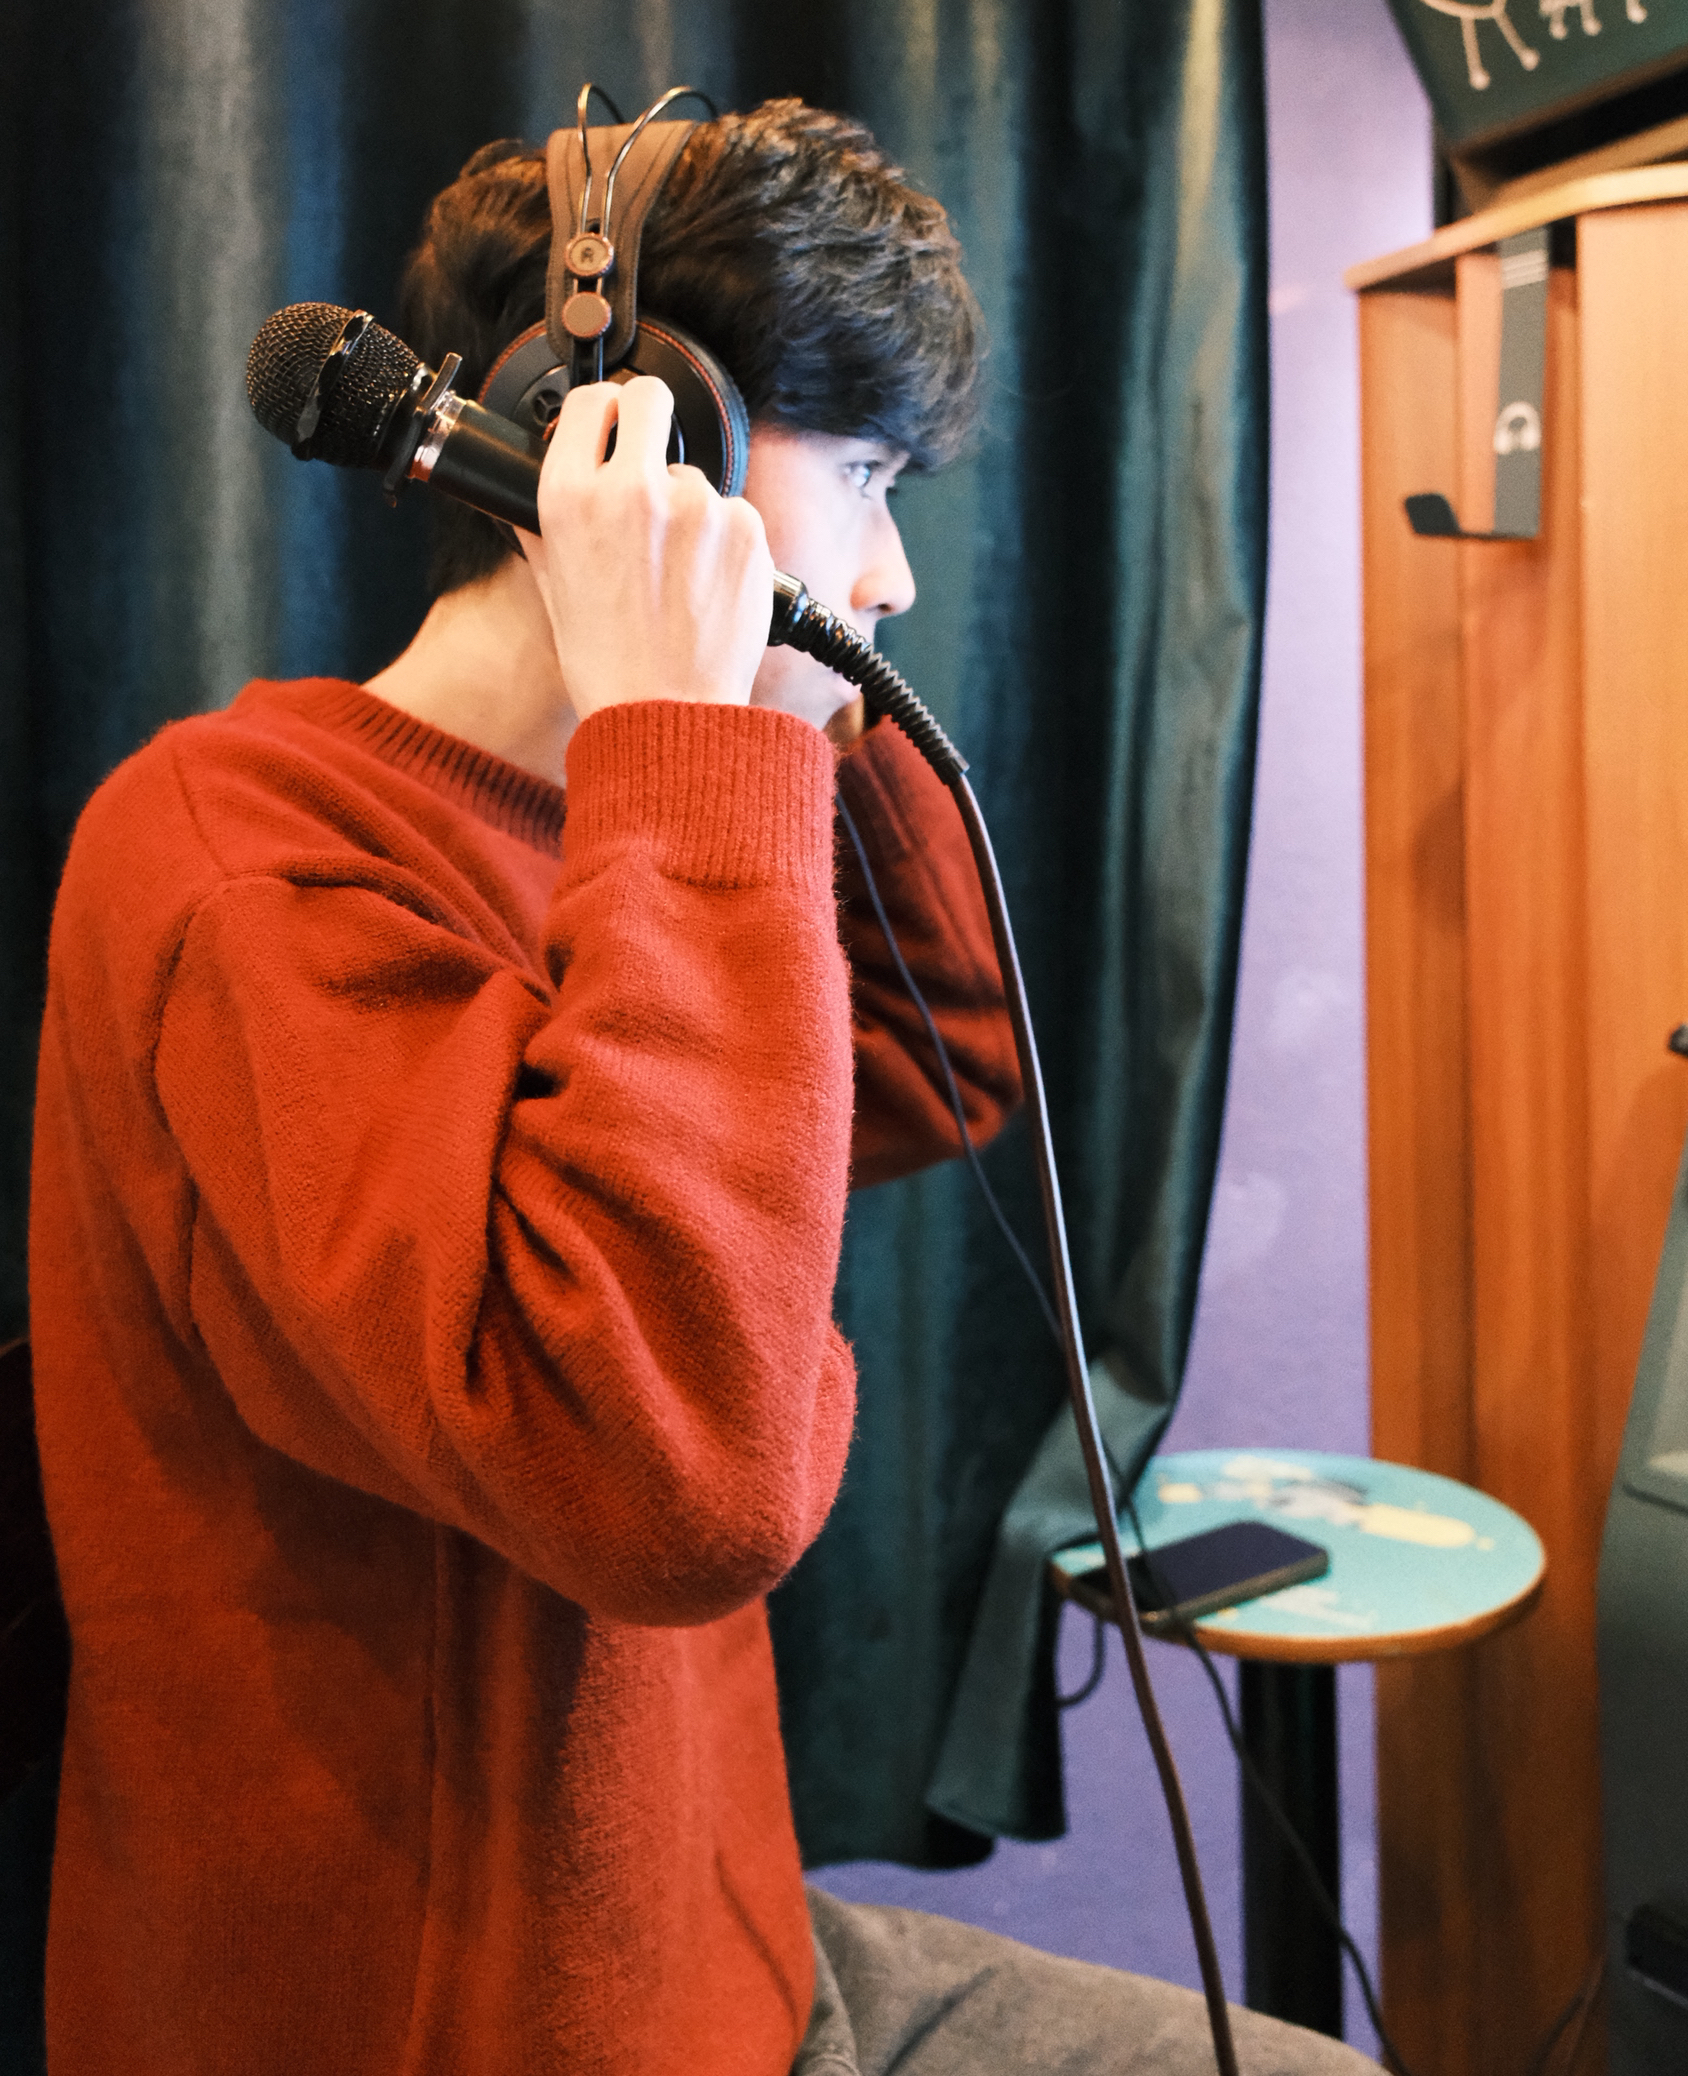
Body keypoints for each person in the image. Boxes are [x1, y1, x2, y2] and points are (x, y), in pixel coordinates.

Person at [29, 100, 1371, 2076]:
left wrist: (748, 723)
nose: (895, 573)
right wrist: (689, 723)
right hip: (483, 2033)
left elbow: (935, 1054)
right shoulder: (248, 868)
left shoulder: (630, 817)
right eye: (869, 479)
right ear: (647, 448)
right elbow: (675, 1485)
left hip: (730, 1956)